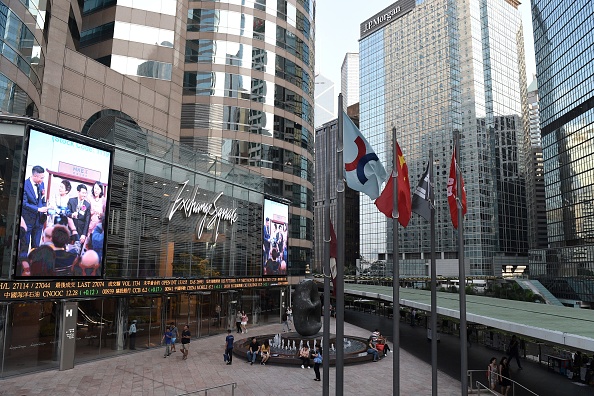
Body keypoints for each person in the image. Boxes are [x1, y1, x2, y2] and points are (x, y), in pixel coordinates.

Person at [22, 165, 48, 249]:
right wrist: (38, 209)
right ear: (35, 176)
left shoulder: (41, 184)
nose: (42, 180)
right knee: (24, 245)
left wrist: (45, 208)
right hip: (28, 220)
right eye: (41, 178)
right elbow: (24, 203)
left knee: (36, 246)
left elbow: (43, 199)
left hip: (39, 221)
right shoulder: (25, 184)